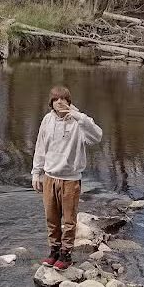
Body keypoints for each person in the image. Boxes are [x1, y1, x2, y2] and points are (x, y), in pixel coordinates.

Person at [31, 86, 103, 271]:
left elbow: (97, 136)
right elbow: (40, 147)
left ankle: (66, 254)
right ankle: (54, 251)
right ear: (52, 103)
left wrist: (78, 116)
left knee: (69, 221)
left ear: (69, 103)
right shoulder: (47, 120)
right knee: (51, 218)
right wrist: (36, 173)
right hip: (49, 177)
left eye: (64, 99)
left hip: (70, 179)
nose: (60, 102)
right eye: (56, 100)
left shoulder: (79, 122)